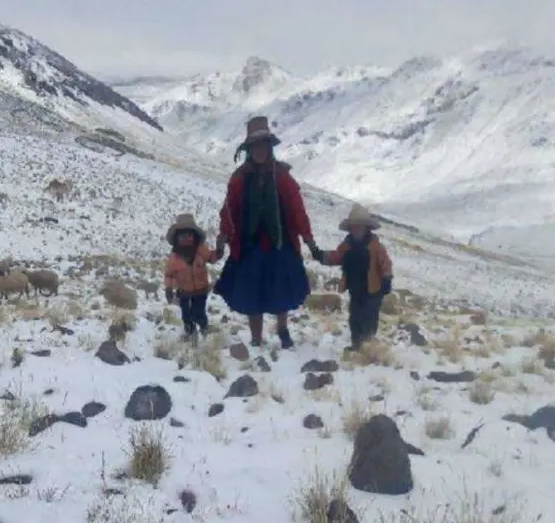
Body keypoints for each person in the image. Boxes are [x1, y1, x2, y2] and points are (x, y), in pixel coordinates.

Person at [214, 116, 322, 348]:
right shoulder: (239, 179)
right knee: (253, 294)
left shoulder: (282, 177)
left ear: (269, 147)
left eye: (263, 145)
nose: (260, 151)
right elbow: (229, 211)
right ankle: (256, 338)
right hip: (250, 245)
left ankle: (282, 329)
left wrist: (309, 241)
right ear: (249, 150)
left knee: (280, 289)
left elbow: (297, 210)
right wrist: (222, 239)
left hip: (279, 244)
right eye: (255, 147)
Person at [313, 204, 393, 351]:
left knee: (368, 318)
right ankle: (357, 345)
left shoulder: (376, 246)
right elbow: (336, 257)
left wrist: (387, 280)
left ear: (366, 228)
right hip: (355, 289)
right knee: (355, 318)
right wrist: (320, 255)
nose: (356, 230)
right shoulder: (346, 245)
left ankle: (368, 348)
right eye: (354, 227)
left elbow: (385, 264)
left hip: (373, 290)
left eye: (359, 227)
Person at [163, 214, 225, 342]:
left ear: (194, 235)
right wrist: (168, 289)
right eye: (182, 236)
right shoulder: (174, 257)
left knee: (199, 313)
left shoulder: (201, 250)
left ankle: (204, 330)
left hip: (201, 291)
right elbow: (169, 275)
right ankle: (191, 335)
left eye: (189, 235)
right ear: (177, 237)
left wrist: (219, 251)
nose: (186, 239)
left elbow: (211, 258)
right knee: (186, 315)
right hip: (184, 293)